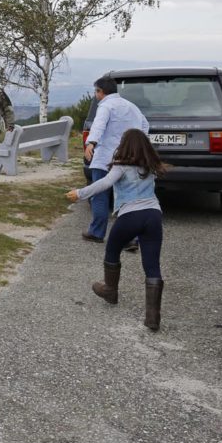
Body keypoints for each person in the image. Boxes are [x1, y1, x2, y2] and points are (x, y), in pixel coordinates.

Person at [66, 128, 166, 331]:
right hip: (154, 216)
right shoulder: (150, 167)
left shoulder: (121, 167)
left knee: (112, 250)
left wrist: (80, 193)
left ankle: (110, 290)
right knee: (152, 265)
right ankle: (153, 317)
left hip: (130, 215)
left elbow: (104, 183)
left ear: (124, 145)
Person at [82, 76, 149, 245]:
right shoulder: (131, 106)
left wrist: (91, 143)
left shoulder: (105, 106)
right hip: (128, 158)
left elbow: (98, 125)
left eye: (96, 91)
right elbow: (145, 126)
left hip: (105, 157)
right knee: (128, 197)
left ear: (100, 91)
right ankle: (131, 238)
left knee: (99, 194)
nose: (96, 95)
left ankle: (97, 232)